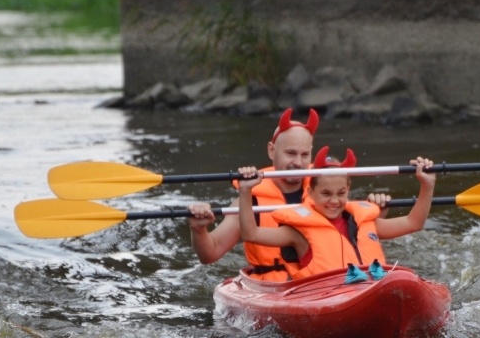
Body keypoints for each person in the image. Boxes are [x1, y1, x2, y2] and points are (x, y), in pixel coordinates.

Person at [236, 145, 436, 280]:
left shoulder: (363, 222)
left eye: (341, 193)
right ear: (310, 193)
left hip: (371, 288)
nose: (334, 201)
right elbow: (251, 234)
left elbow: (413, 223)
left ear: (348, 191)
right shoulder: (297, 233)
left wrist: (427, 185)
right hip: (325, 297)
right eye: (325, 193)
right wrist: (246, 191)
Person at [187, 108, 319, 280]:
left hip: (317, 280)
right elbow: (209, 254)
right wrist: (198, 229)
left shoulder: (325, 192)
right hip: (270, 286)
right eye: (291, 153)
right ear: (272, 151)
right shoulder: (251, 201)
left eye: (305, 154)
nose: (298, 162)